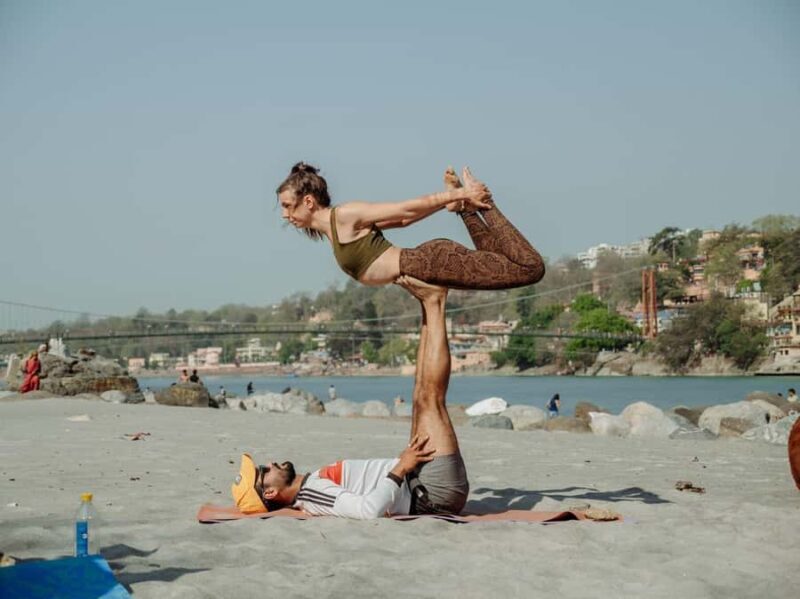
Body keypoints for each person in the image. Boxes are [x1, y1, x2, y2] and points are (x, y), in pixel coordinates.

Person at [232, 276, 468, 518]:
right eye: (264, 470)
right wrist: (401, 467)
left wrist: (403, 464)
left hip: (416, 476)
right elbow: (368, 510)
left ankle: (427, 303)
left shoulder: (311, 484)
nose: (270, 463)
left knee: (420, 392)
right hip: (430, 492)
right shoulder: (312, 494)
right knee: (431, 398)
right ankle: (435, 300)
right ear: (270, 493)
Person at [276, 163, 545, 291]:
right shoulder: (333, 231)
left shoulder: (346, 215)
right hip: (429, 265)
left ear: (308, 201)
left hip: (431, 263)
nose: (285, 214)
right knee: (503, 262)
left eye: (288, 205)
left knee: (531, 268)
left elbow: (404, 208)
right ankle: (466, 209)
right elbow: (403, 221)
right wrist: (450, 202)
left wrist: (458, 194)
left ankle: (482, 201)